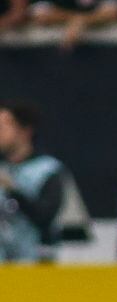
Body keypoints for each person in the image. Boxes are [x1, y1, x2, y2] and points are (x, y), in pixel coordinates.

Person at [0, 102, 65, 263]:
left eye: (3, 127)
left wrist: (13, 190)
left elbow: (45, 216)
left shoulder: (47, 170)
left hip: (35, 265)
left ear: (25, 131)